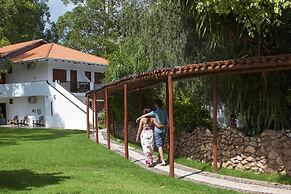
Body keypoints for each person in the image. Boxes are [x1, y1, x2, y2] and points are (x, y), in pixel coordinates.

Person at [136, 99, 168, 166]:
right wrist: (166, 126)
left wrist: (138, 118)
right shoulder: (163, 113)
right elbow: (165, 122)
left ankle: (159, 160)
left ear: (156, 105)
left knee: (156, 146)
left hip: (151, 132)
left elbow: (144, 117)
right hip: (159, 132)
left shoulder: (154, 112)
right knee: (156, 146)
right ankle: (159, 158)